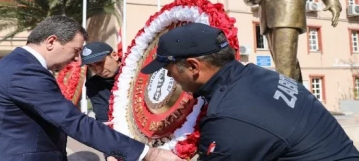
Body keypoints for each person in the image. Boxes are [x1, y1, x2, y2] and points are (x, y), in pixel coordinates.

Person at [0, 15, 183, 161]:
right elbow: (73, 121)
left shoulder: (18, 65)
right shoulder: (24, 71)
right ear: (51, 41)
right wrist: (148, 154)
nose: (76, 58)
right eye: (75, 50)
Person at [141, 23, 359, 161]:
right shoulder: (259, 76)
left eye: (168, 70)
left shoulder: (230, 116)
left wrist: (151, 156)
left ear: (193, 66)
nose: (169, 78)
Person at [81, 42, 120, 122]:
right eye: (90, 66)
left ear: (114, 56)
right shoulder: (94, 84)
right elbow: (103, 119)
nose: (98, 70)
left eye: (100, 63)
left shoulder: (136, 71)